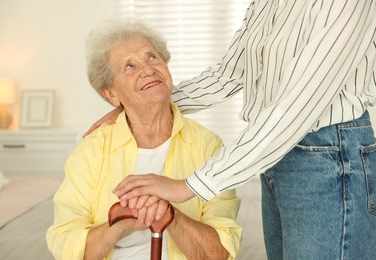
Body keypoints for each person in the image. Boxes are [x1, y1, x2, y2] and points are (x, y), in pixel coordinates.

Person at [86, 1, 376, 259]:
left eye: (151, 59)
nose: (146, 68)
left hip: (329, 156)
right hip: (278, 157)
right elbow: (229, 73)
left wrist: (188, 185)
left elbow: (295, 108)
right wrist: (145, 102)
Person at [46, 19, 242, 260]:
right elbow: (67, 247)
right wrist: (122, 221)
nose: (148, 69)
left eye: (152, 58)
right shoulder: (91, 151)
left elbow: (220, 253)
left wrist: (169, 215)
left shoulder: (207, 145)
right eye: (129, 66)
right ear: (110, 94)